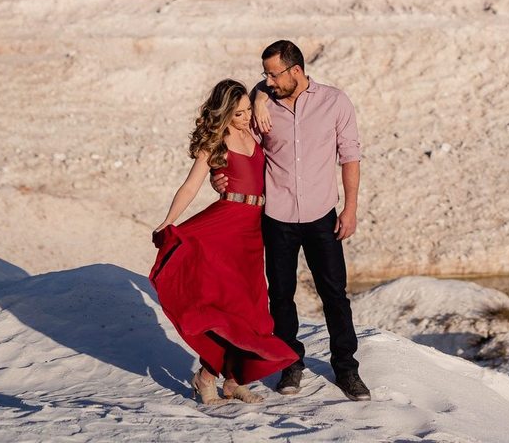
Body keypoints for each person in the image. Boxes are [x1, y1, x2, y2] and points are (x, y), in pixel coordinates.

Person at [211, 40, 369, 401]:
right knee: (281, 296)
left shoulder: (334, 101)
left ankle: (347, 370)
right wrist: (218, 177)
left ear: (295, 71)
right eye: (264, 73)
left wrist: (351, 208)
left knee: (335, 294)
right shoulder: (261, 107)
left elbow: (350, 156)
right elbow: (238, 148)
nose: (268, 79)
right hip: (277, 216)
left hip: (321, 215)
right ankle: (290, 364)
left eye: (273, 73)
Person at [150, 79, 297, 405]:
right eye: (240, 113)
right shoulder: (216, 142)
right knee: (228, 308)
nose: (247, 118)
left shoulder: (255, 132)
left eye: (248, 111)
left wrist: (258, 99)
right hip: (225, 225)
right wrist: (168, 221)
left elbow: (267, 89)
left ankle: (233, 381)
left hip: (253, 230)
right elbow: (190, 186)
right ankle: (205, 378)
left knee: (251, 311)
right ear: (227, 113)